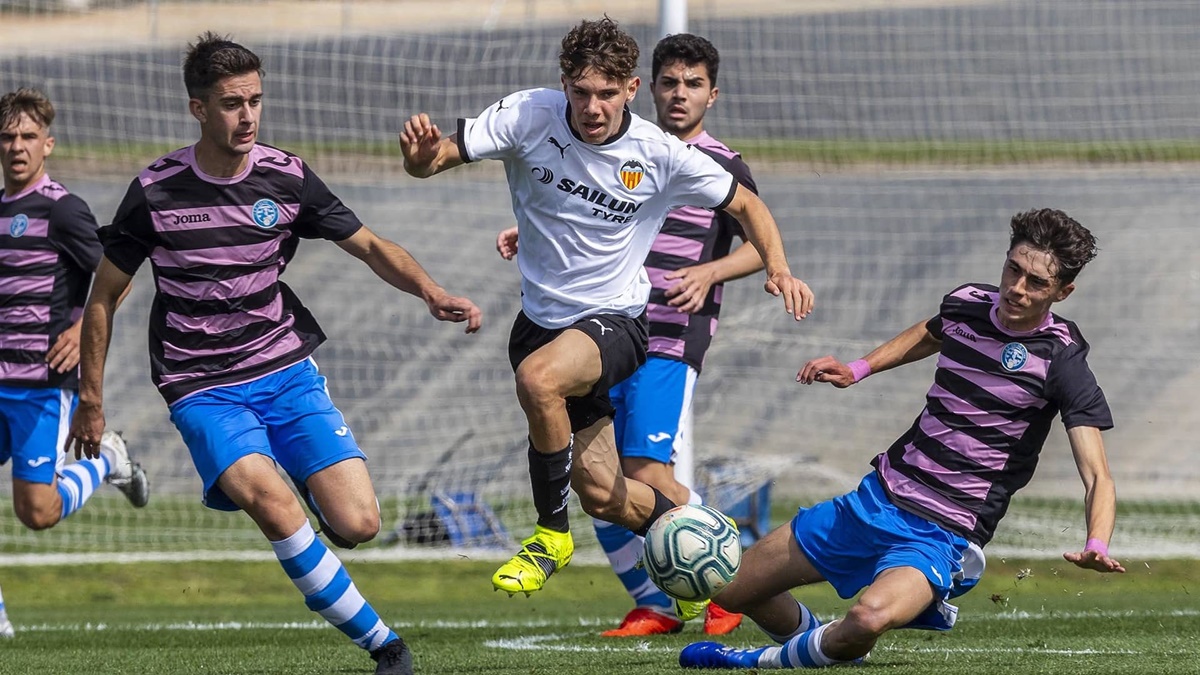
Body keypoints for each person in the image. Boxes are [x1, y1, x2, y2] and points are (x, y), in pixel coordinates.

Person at [65, 33, 481, 675]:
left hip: (284, 369)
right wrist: (91, 402)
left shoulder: (286, 177)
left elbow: (369, 245)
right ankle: (386, 647)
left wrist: (430, 290)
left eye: (256, 100)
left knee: (359, 523)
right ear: (199, 109)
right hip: (199, 384)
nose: (249, 116)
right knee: (271, 502)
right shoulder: (156, 191)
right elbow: (103, 300)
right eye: (233, 103)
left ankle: (315, 503)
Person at [399, 15, 814, 612]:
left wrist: (777, 268)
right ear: (563, 84)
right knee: (607, 494)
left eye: (607, 93)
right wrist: (419, 159)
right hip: (540, 323)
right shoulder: (527, 115)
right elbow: (436, 158)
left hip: (618, 322)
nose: (592, 107)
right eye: (581, 92)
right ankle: (714, 555)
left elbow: (748, 204)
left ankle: (549, 537)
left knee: (538, 380)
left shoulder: (660, 153)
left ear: (630, 91)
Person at [679, 208, 1125, 670]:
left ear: (1062, 292)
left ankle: (754, 662)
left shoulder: (1062, 360)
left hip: (944, 533)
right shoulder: (968, 303)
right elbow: (930, 333)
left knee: (868, 619)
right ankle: (823, 645)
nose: (1017, 287)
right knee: (731, 588)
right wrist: (858, 368)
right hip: (876, 500)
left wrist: (1098, 541)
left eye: (1036, 282)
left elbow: (1097, 475)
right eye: (1014, 269)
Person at [494, 33, 758, 637]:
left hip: (667, 336)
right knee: (604, 488)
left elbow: (757, 238)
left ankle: (723, 580)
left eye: (692, 84)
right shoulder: (622, 149)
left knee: (643, 470)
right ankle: (667, 596)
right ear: (648, 89)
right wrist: (526, 229)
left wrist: (712, 271)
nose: (679, 94)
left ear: (712, 95)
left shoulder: (717, 162)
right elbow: (584, 211)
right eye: (670, 82)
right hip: (590, 327)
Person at [0, 88, 147, 638]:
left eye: (28, 136)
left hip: (41, 388)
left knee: (36, 513)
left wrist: (80, 325)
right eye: (8, 136)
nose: (17, 146)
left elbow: (118, 276)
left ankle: (105, 460)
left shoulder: (63, 209)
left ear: (48, 144)